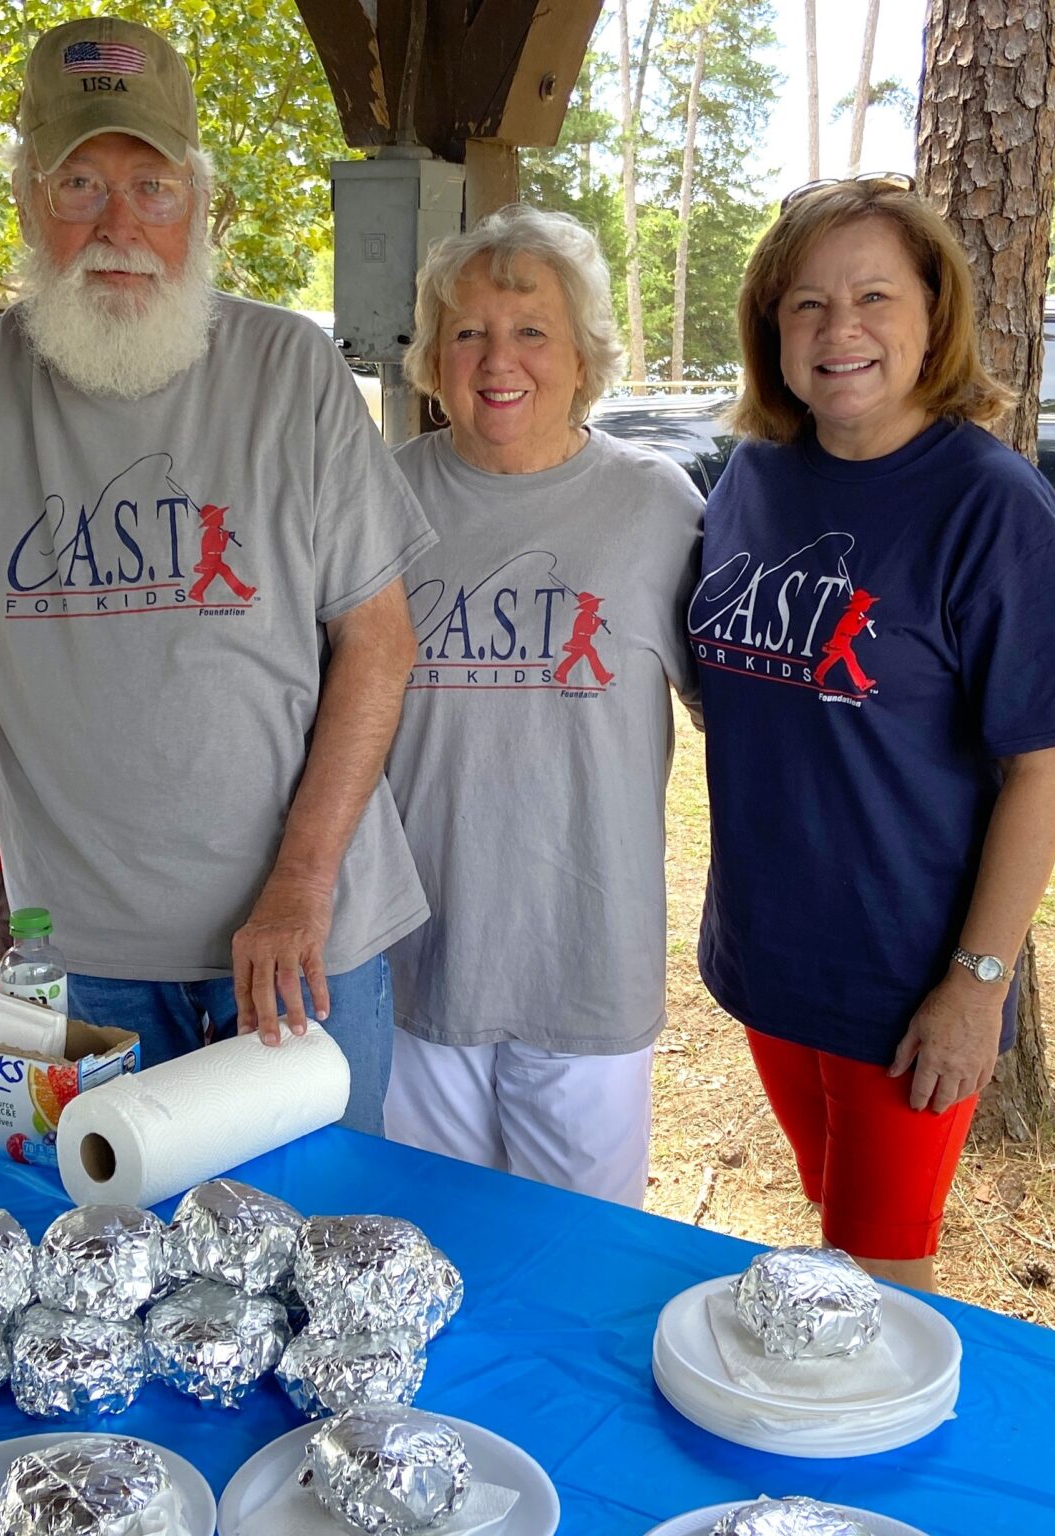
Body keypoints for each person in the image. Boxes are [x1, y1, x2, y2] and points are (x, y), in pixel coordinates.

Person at [0, 16, 436, 1134]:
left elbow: (378, 641)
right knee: (115, 1275)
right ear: (25, 199)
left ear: (198, 205)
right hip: (86, 965)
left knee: (327, 1264)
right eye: (79, 185)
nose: (120, 226)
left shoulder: (288, 369)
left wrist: (299, 885)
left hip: (303, 946)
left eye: (152, 188)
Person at [689, 175, 1055, 1287]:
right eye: (805, 305)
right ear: (768, 327)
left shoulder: (991, 504)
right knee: (832, 1226)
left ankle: (859, 1468)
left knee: (880, 1284)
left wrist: (976, 986)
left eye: (873, 296)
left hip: (902, 982)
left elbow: (1043, 765)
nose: (840, 332)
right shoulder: (749, 477)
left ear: (933, 316)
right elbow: (732, 682)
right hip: (767, 956)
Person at [379, 206, 703, 1204]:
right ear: (431, 358)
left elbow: (747, 720)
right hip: (408, 965)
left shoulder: (659, 506)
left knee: (573, 1273)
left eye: (530, 330)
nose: (495, 359)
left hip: (583, 965)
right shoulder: (375, 499)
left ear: (582, 356)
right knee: (419, 1255)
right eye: (465, 331)